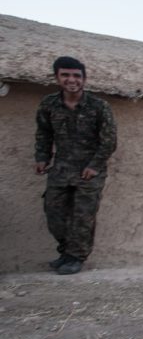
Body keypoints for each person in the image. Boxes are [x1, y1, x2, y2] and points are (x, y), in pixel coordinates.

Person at [34, 56, 118, 275]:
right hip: (61, 168)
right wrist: (42, 157)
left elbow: (109, 141)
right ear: (57, 77)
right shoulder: (49, 104)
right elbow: (44, 132)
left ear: (84, 79)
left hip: (89, 170)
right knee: (53, 213)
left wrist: (95, 165)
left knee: (83, 216)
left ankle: (76, 257)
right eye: (65, 75)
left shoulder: (99, 107)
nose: (71, 80)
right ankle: (66, 251)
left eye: (76, 76)